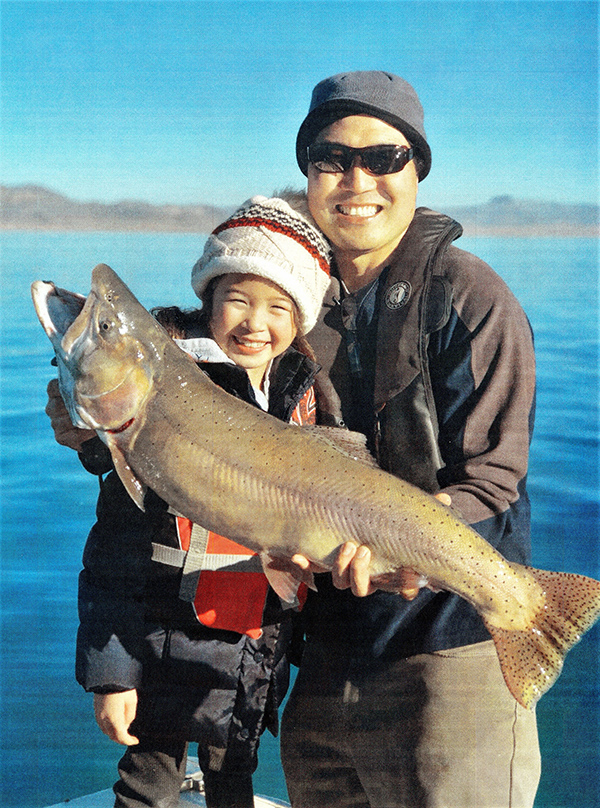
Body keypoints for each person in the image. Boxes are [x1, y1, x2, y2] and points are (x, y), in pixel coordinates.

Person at [279, 71, 541, 808]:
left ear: (417, 169)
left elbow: (492, 483)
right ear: (307, 172)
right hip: (326, 658)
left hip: (450, 650)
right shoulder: (279, 301)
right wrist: (96, 426)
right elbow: (214, 424)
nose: (356, 178)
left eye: (384, 158)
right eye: (331, 157)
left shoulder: (472, 298)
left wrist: (396, 550)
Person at [45, 195, 332, 808]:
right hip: (162, 656)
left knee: (235, 785)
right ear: (208, 299)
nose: (256, 322)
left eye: (279, 306)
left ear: (301, 320)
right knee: (146, 788)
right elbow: (114, 556)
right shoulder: (160, 398)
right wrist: (113, 675)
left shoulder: (304, 394)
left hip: (252, 652)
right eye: (238, 299)